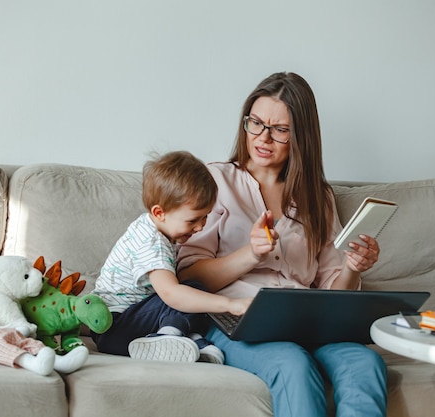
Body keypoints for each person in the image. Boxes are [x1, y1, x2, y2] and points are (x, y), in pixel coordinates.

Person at [177, 72, 387, 416]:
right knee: (292, 364)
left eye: (279, 130)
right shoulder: (214, 181)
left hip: (310, 320)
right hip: (238, 322)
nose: (263, 138)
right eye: (255, 123)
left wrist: (351, 267)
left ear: (301, 136)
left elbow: (334, 289)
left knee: (365, 364)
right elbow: (189, 276)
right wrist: (251, 254)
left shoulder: (318, 197)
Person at [91, 150, 252, 364]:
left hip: (124, 323)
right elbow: (170, 294)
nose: (201, 226)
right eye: (193, 219)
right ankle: (168, 337)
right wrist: (230, 304)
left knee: (193, 288)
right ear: (160, 213)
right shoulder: (152, 242)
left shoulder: (153, 227)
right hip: (114, 328)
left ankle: (186, 338)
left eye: (205, 217)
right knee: (188, 290)